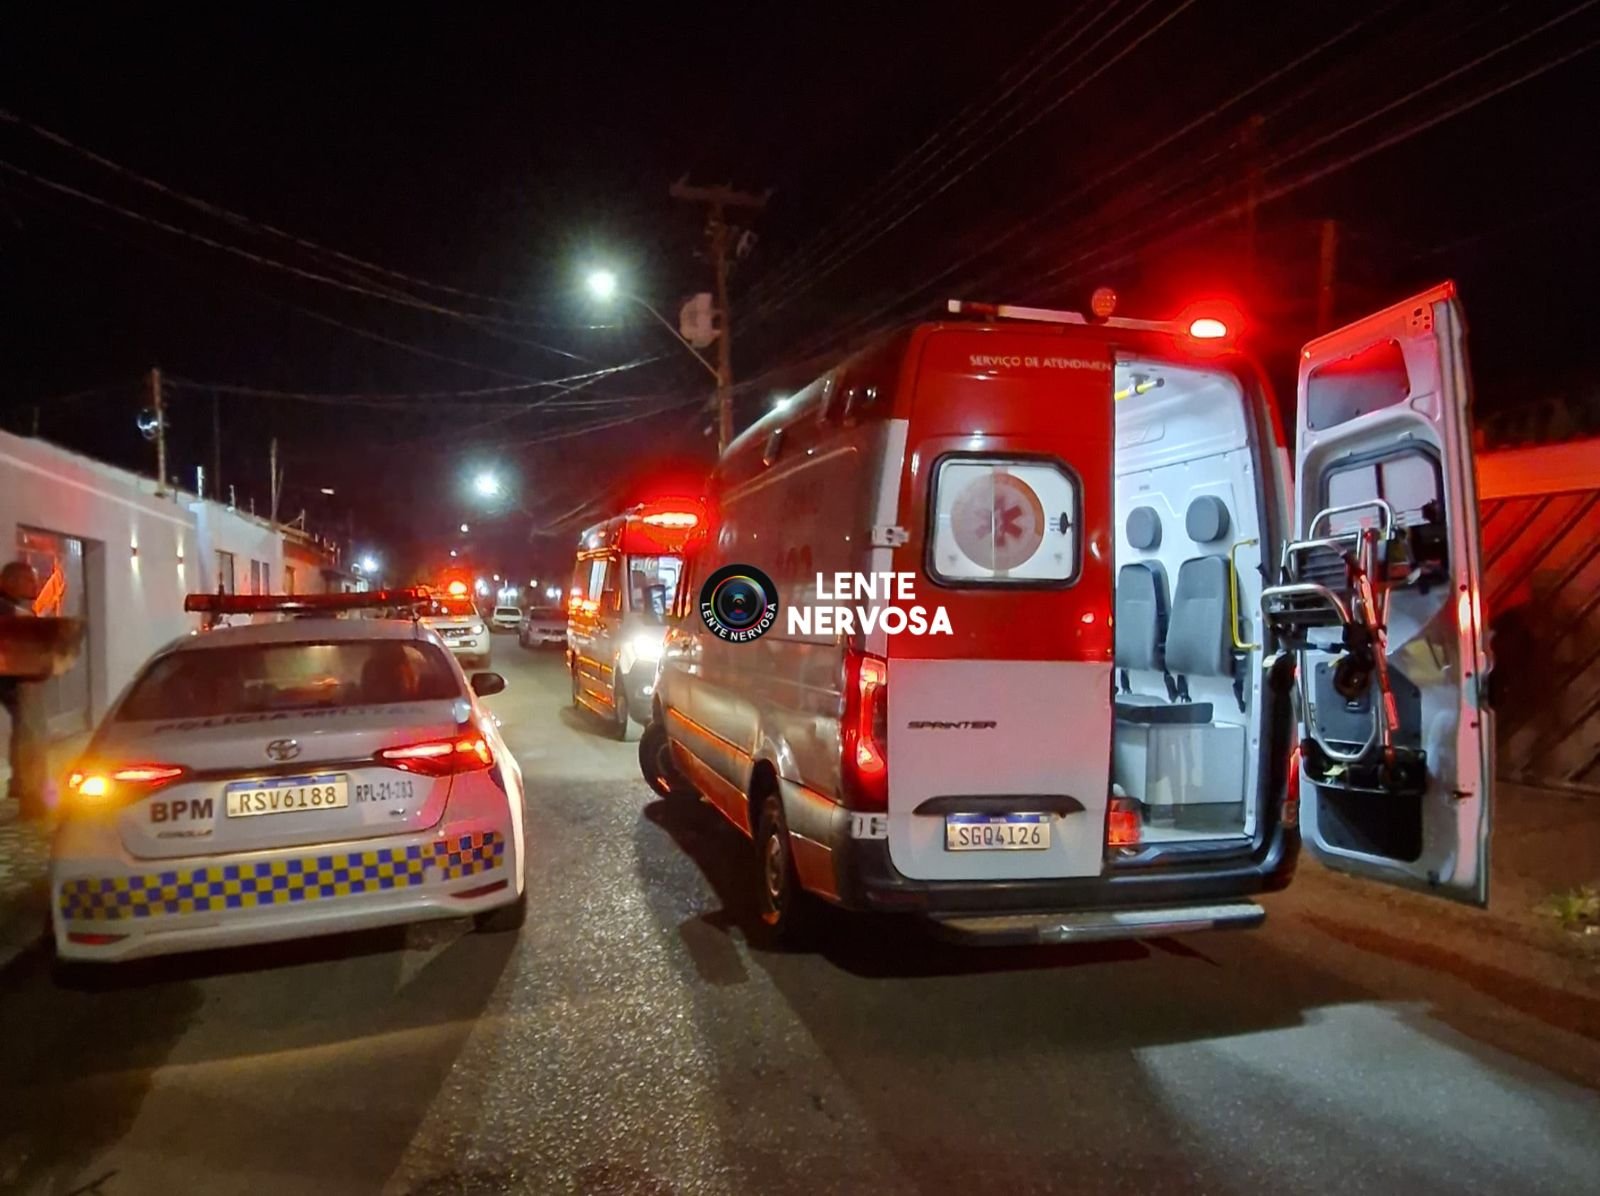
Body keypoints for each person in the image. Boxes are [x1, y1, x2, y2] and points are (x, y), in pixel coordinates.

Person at [0, 561, 48, 818]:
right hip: (18, 677)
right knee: (32, 733)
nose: (36, 585)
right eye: (29, 580)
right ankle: (33, 796)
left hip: (13, 677)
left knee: (23, 730)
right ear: (11, 582)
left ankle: (20, 785)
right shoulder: (12, 612)